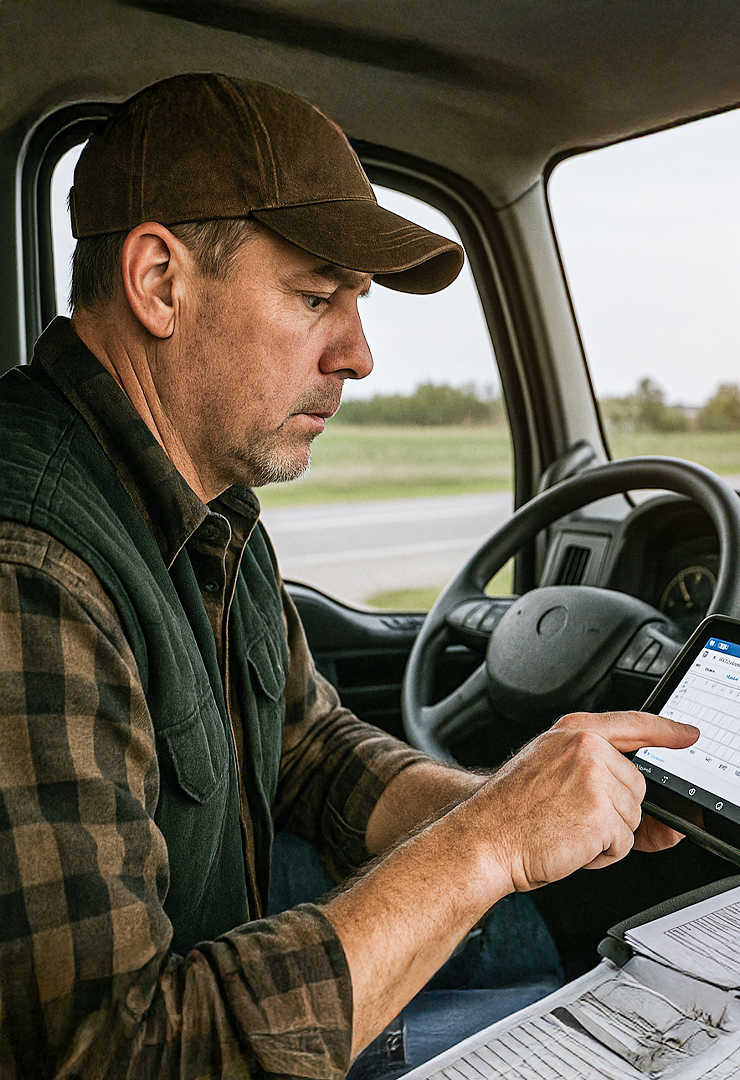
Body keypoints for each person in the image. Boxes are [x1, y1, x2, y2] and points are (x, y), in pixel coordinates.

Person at [0, 73, 698, 1079]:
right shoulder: (31, 566)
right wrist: (487, 847)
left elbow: (308, 749)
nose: (360, 356)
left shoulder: (209, 502)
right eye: (315, 297)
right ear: (159, 282)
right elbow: (113, 1056)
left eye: (356, 305)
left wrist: (512, 805)